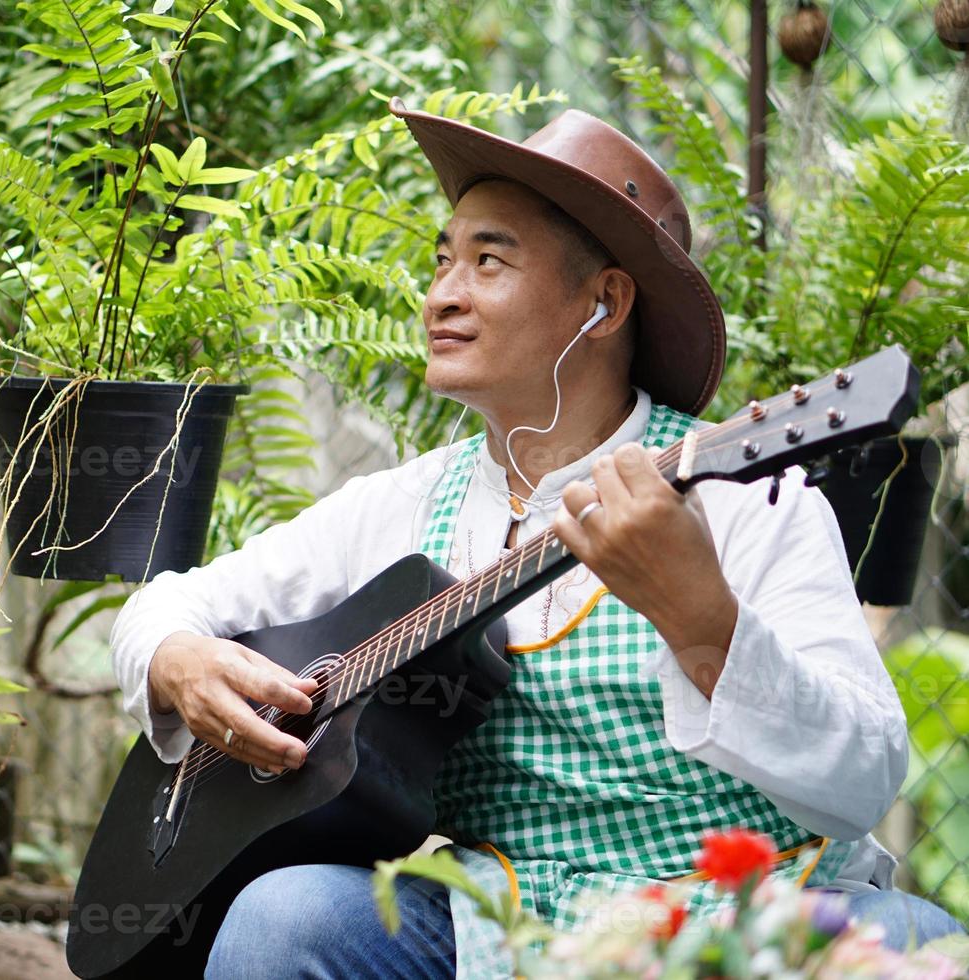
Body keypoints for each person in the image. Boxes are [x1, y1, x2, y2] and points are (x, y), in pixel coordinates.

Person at [107, 99, 964, 978]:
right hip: (498, 932)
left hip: (736, 925)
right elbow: (169, 604)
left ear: (603, 302)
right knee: (282, 922)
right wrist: (176, 661)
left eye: (488, 261)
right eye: (443, 260)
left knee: (913, 943)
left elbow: (866, 777)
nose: (443, 292)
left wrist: (704, 623)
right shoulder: (405, 505)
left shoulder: (748, 497)